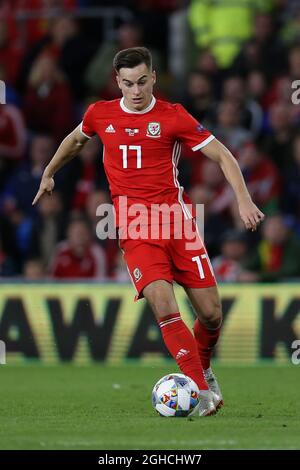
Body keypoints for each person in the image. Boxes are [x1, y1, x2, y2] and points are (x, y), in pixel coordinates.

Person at [33, 47, 265, 417]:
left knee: (211, 315)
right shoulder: (100, 113)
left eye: (142, 82)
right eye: (128, 84)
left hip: (178, 224)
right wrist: (49, 172)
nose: (136, 91)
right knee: (164, 304)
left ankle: (202, 369)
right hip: (135, 227)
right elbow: (76, 140)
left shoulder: (174, 117)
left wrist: (244, 200)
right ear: (117, 82)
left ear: (153, 77)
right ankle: (202, 392)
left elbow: (223, 155)